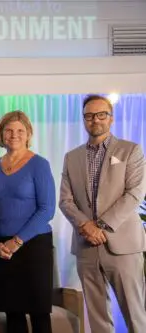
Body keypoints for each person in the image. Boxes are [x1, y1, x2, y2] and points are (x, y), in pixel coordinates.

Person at [59, 94, 146, 333]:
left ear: (111, 118)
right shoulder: (72, 157)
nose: (94, 120)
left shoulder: (131, 150)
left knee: (135, 315)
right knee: (97, 318)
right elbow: (65, 201)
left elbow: (134, 194)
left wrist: (102, 226)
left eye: (101, 114)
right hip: (87, 246)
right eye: (89, 116)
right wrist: (86, 227)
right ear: (84, 120)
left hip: (123, 245)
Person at [0, 111, 56, 333]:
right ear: (1, 135)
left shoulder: (40, 165)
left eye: (20, 130)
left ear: (28, 134)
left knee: (39, 313)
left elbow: (47, 210)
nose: (14, 135)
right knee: (13, 313)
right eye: (8, 130)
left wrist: (16, 242)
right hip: (2, 250)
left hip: (34, 246)